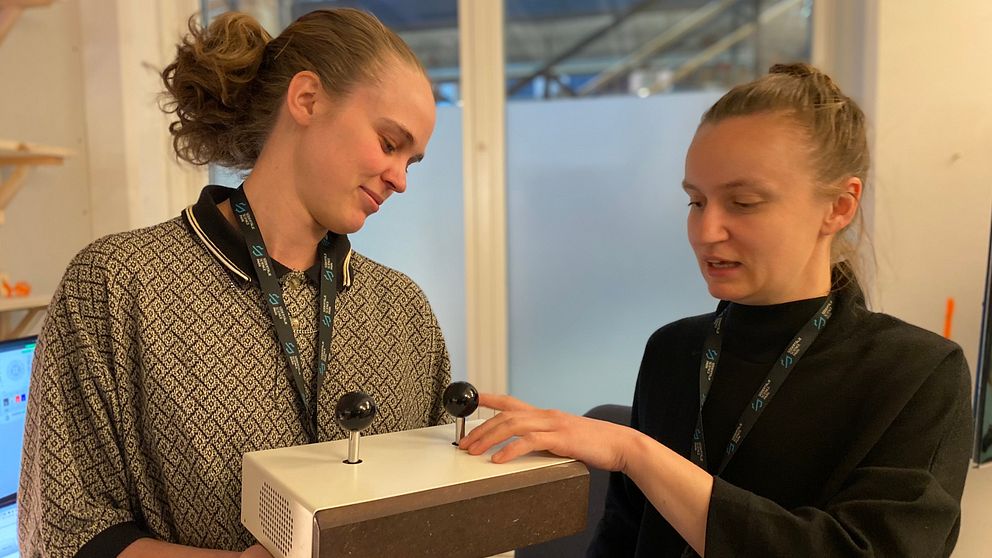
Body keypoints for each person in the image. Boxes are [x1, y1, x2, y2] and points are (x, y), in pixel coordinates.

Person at [460, 63, 973, 557]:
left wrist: (635, 452)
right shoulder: (674, 350)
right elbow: (623, 537)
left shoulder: (916, 375)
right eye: (696, 202)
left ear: (839, 206)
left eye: (744, 202)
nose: (707, 232)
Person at [19, 8, 449, 558]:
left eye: (412, 161)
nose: (401, 180)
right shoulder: (116, 286)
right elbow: (63, 533)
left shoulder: (403, 311)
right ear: (307, 100)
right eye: (390, 143)